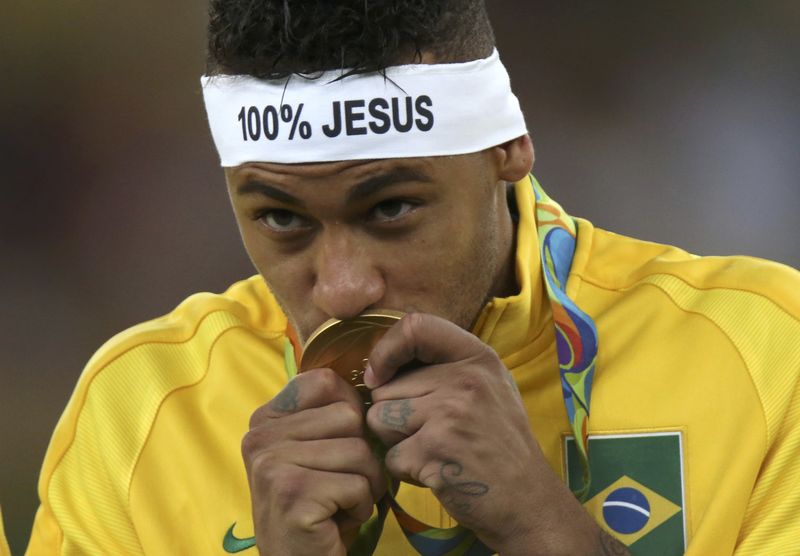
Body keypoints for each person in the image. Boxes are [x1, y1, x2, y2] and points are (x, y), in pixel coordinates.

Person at [24, 1, 800, 554]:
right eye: (283, 218)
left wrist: (546, 531)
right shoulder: (141, 415)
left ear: (510, 147)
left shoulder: (768, 358)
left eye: (391, 207)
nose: (342, 288)